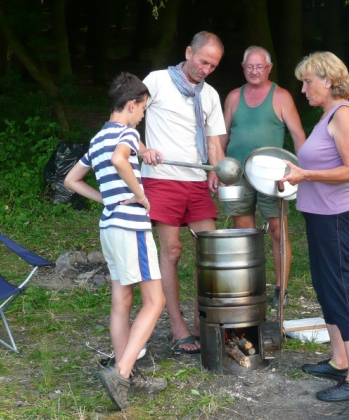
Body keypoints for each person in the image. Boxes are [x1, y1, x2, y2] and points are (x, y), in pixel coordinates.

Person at [64, 72, 168, 410]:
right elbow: (119, 159)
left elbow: (71, 180)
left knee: (121, 300)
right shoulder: (127, 132)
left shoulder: (98, 138)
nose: (142, 116)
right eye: (143, 109)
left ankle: (127, 374)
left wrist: (106, 199)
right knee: (155, 301)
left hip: (109, 225)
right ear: (131, 104)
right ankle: (121, 373)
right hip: (131, 227)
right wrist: (141, 195)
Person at [282, 52, 349, 402]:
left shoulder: (344, 115)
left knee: (341, 291)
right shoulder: (327, 116)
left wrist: (305, 175)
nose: (303, 89)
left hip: (335, 218)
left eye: (308, 82)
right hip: (319, 216)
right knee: (324, 286)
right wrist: (297, 175)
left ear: (328, 81)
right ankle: (339, 360)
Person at [140, 31, 227, 354]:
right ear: (189, 52)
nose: (206, 70)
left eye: (213, 66)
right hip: (162, 178)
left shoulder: (210, 95)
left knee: (211, 253)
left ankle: (203, 321)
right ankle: (178, 328)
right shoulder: (158, 81)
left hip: (195, 180)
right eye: (203, 62)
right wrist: (142, 149)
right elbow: (125, 118)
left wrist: (216, 169)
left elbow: (214, 141)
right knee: (172, 251)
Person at [219, 46, 306, 307]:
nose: (254, 71)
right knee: (243, 232)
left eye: (260, 66)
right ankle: (250, 285)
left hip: (272, 174)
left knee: (278, 230)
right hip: (236, 173)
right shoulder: (234, 97)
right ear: (243, 68)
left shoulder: (281, 96)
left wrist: (300, 169)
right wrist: (217, 168)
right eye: (250, 66)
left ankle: (281, 288)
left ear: (269, 68)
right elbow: (222, 135)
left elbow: (298, 134)